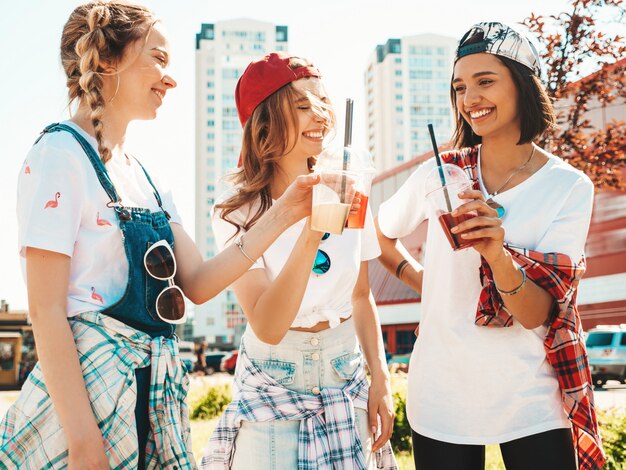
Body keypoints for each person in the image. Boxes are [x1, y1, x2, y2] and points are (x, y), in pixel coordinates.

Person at [0, 3, 321, 469]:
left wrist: (287, 211)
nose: (170, 80)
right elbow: (47, 311)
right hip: (87, 409)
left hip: (148, 401)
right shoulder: (59, 154)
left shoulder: (146, 179)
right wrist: (85, 443)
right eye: (159, 59)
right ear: (107, 61)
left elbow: (198, 283)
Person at [375, 22, 605, 470]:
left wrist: (497, 254)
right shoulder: (438, 175)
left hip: (531, 398)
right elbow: (379, 233)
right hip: (442, 392)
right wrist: (423, 280)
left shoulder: (569, 187)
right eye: (460, 87)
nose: (469, 99)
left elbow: (536, 313)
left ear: (522, 86)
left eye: (485, 82)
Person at [201, 52, 397, 469]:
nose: (320, 116)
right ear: (266, 122)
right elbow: (268, 325)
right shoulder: (236, 208)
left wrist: (380, 377)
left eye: (323, 104)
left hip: (345, 367)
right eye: (303, 106)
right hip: (276, 372)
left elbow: (361, 296)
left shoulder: (350, 186)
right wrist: (312, 231)